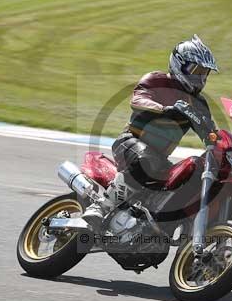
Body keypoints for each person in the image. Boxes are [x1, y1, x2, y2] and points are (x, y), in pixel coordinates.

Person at [83, 35, 219, 227]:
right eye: (196, 70)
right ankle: (101, 206)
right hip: (130, 143)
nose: (201, 77)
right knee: (147, 159)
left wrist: (220, 143)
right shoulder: (156, 80)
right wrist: (164, 109)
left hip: (160, 158)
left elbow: (211, 131)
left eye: (205, 72)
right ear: (179, 64)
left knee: (189, 173)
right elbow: (137, 100)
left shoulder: (199, 103)